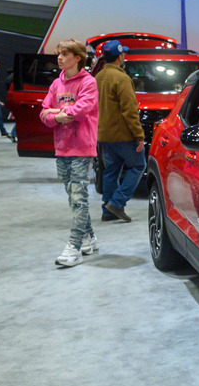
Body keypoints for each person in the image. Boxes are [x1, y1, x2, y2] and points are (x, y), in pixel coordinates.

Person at [40, 39, 99, 267]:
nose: (59, 58)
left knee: (78, 197)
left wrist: (59, 111)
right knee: (72, 196)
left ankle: (73, 247)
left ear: (77, 57)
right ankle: (89, 236)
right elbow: (44, 114)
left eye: (64, 54)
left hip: (82, 148)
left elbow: (81, 111)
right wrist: (57, 115)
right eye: (59, 54)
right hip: (62, 147)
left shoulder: (89, 82)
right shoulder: (56, 84)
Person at [95, 40, 146, 223]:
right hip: (123, 135)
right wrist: (139, 135)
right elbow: (129, 111)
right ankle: (117, 203)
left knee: (111, 171)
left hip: (103, 135)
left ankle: (107, 211)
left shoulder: (98, 77)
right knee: (138, 166)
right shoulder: (122, 79)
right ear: (119, 57)